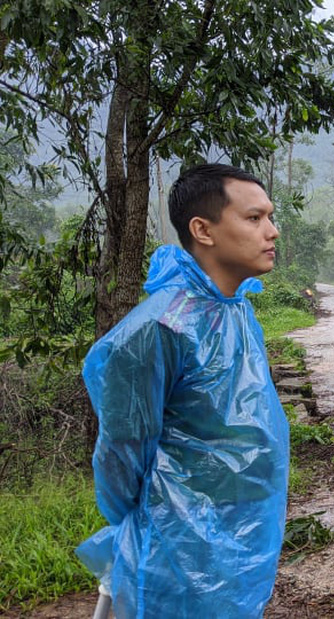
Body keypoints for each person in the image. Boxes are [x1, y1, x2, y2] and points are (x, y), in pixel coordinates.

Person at [76, 164, 289, 618]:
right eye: (254, 219)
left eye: (269, 217)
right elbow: (121, 454)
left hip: (239, 539)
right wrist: (152, 526)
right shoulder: (159, 328)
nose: (272, 231)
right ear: (202, 230)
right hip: (175, 550)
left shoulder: (236, 313)